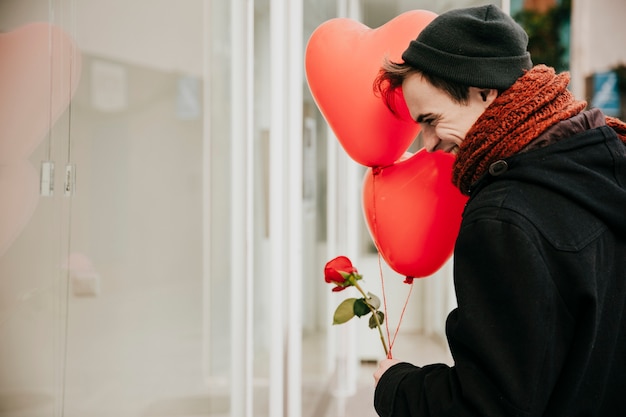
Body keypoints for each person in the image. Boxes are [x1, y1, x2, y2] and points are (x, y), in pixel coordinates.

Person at [371, 4, 626, 417]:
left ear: (484, 91)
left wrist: (396, 386)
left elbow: (487, 405)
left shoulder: (503, 218)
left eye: (432, 120)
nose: (428, 143)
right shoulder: (603, 161)